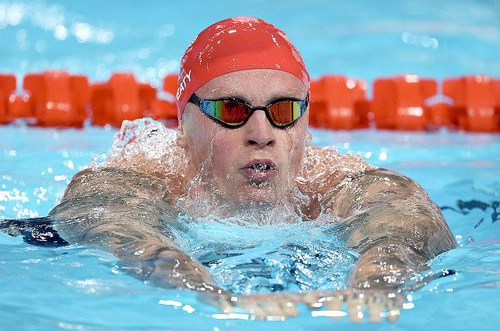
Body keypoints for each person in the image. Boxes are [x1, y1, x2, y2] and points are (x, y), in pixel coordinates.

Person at [43, 17, 456, 321]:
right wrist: (210, 296)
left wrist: (376, 279)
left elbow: (404, 219)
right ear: (183, 127)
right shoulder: (149, 177)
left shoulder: (330, 182)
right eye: (231, 110)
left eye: (283, 110)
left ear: (306, 125)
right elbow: (105, 221)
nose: (262, 133)